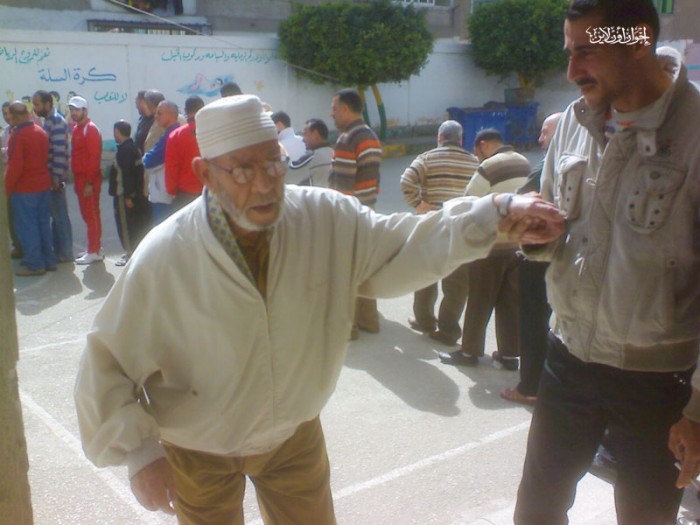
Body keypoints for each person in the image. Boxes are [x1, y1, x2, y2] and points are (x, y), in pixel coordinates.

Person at [74, 94, 566, 525]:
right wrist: (140, 454)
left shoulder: (324, 218)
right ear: (205, 173)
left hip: (292, 434)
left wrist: (496, 214)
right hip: (198, 446)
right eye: (242, 169)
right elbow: (108, 360)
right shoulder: (166, 255)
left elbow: (404, 244)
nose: (264, 183)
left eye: (273, 163)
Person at [512, 2, 700, 524]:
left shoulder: (695, 133)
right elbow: (552, 227)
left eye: (587, 52)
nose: (572, 70)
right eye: (569, 52)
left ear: (637, 40)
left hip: (659, 380)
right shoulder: (574, 122)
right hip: (567, 355)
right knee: (535, 511)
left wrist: (698, 409)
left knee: (645, 516)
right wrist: (536, 237)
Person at [437, 128, 529, 370]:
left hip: (490, 246)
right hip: (517, 244)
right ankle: (509, 355)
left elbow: (470, 201)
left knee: (479, 299)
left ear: (484, 144)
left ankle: (469, 351)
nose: (478, 157)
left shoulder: (489, 166)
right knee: (510, 302)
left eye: (477, 153)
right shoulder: (523, 162)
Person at [500, 111, 562, 405]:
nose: (540, 138)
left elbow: (521, 200)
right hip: (561, 254)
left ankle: (529, 387)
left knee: (533, 319)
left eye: (545, 132)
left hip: (540, 252)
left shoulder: (550, 163)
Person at [400, 119, 479, 344]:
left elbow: (406, 180)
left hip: (431, 227)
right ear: (460, 139)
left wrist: (418, 204)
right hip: (461, 228)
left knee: (425, 275)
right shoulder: (474, 162)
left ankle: (424, 320)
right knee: (457, 284)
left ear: (439, 138)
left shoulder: (426, 158)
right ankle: (448, 330)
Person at [329, 88, 383, 338]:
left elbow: (342, 189)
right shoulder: (370, 135)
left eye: (334, 108)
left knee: (345, 271)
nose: (331, 114)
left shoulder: (347, 139)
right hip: (368, 209)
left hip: (349, 215)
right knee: (364, 268)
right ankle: (369, 320)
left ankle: (348, 327)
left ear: (345, 109)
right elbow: (375, 178)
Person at [4, 102, 56, 276]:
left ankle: (35, 263)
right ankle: (49, 260)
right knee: (43, 225)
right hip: (43, 186)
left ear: (13, 117)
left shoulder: (17, 136)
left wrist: (6, 190)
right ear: (27, 113)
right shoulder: (40, 131)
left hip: (24, 189)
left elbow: (15, 167)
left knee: (28, 227)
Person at [32, 89, 73, 263]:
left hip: (55, 178)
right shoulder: (48, 121)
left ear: (48, 104)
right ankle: (60, 251)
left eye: (37, 104)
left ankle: (66, 252)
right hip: (50, 178)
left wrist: (55, 177)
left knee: (60, 217)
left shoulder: (56, 121)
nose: (35, 108)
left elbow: (59, 152)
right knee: (56, 217)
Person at [69, 96, 104, 265]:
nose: (73, 113)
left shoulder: (90, 130)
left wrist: (89, 182)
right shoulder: (77, 129)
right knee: (87, 215)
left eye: (77, 109)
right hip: (80, 179)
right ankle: (94, 247)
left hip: (88, 180)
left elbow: (94, 158)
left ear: (85, 110)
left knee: (91, 215)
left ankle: (94, 251)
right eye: (72, 110)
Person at [109, 120, 148, 267]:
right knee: (134, 224)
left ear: (117, 132)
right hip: (134, 193)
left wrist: (128, 196)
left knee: (125, 225)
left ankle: (130, 253)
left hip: (124, 194)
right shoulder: (132, 147)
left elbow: (127, 175)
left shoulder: (124, 151)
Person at [142, 100, 180, 225]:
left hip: (164, 196)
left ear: (172, 114)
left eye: (160, 113)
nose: (156, 116)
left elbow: (149, 161)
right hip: (174, 193)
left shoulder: (170, 136)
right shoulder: (175, 133)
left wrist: (145, 157)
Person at [165, 96, 205, 211]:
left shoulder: (175, 136)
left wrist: (171, 190)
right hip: (211, 191)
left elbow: (171, 167)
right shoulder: (213, 131)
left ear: (186, 111)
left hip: (185, 195)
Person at [2, 100, 23, 259]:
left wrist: (3, 150)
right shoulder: (5, 132)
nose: (7, 116)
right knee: (10, 215)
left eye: (9, 113)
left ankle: (27, 248)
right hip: (8, 176)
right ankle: (17, 246)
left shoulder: (23, 130)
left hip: (21, 179)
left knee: (23, 215)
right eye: (4, 114)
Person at [287, 118, 333, 187]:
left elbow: (287, 177)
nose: (303, 139)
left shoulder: (312, 158)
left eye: (305, 134)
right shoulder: (334, 155)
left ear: (315, 135)